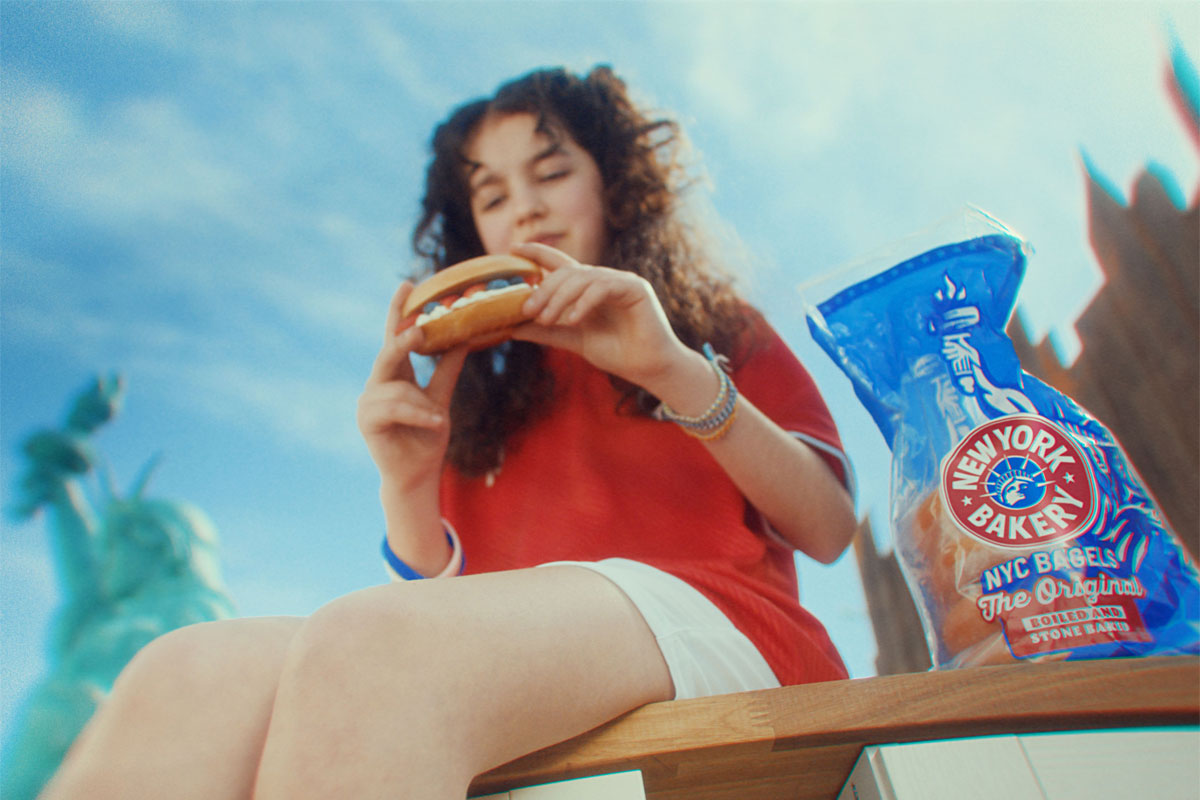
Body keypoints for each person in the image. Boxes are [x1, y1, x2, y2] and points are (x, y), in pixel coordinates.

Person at [41, 65, 856, 800]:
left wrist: (671, 370)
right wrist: (407, 479)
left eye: (551, 172)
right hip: (511, 674)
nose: (526, 206)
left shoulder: (707, 328)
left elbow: (827, 528)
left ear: (614, 182)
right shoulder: (475, 387)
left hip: (724, 628)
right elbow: (442, 612)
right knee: (186, 672)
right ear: (473, 232)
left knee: (371, 643)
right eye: (493, 196)